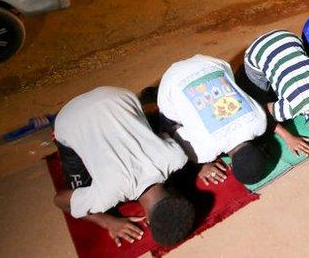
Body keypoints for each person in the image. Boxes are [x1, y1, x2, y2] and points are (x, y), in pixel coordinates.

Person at [53, 87, 194, 248]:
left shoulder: (176, 158)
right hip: (69, 118)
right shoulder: (107, 195)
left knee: (149, 128)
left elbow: (166, 135)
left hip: (116, 96)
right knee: (80, 190)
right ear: (146, 219)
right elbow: (59, 200)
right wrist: (108, 221)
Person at [156, 55, 269, 186]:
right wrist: (200, 166)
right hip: (169, 83)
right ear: (230, 165)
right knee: (166, 128)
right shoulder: (203, 153)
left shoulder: (260, 123)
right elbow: (173, 130)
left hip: (209, 62)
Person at [244, 30, 309, 156]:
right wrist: (288, 137)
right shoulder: (289, 108)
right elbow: (263, 110)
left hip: (288, 37)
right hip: (256, 51)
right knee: (259, 94)